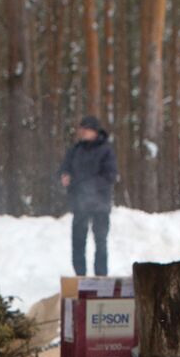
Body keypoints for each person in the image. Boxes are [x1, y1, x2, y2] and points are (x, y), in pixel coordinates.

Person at [58, 115, 118, 277]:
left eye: (86, 129)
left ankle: (101, 277)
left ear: (95, 131)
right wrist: (65, 176)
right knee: (78, 242)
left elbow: (110, 175)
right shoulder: (75, 150)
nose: (83, 132)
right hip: (79, 204)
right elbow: (64, 168)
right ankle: (80, 276)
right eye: (81, 129)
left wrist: (88, 185)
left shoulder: (106, 150)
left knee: (101, 242)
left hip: (100, 204)